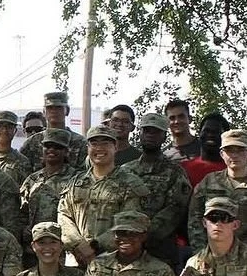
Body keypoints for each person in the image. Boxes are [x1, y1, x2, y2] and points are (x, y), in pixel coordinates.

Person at [58, 124, 149, 267]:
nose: (99, 148)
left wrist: (95, 246)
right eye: (94, 143)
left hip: (115, 263)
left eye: (105, 143)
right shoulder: (75, 183)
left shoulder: (130, 184)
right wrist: (78, 244)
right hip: (76, 260)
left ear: (115, 147)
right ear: (88, 148)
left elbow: (130, 223)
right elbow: (64, 216)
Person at [121, 113, 192, 266]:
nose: (150, 135)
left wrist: (143, 235)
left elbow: (176, 209)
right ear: (140, 133)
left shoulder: (175, 172)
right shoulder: (125, 171)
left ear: (164, 136)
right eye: (147, 131)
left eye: (156, 132)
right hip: (126, 246)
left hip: (160, 251)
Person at [187, 129, 247, 253]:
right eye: (229, 150)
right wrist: (202, 253)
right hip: (212, 254)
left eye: (240, 150)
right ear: (222, 154)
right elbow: (195, 220)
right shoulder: (208, 182)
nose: (234, 155)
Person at [18, 129, 82, 253]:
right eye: (47, 146)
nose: (51, 150)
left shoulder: (76, 180)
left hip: (63, 247)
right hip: (34, 246)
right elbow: (22, 213)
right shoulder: (32, 179)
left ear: (66, 151)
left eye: (57, 147)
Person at [19, 91, 87, 171]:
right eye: (50, 108)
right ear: (44, 112)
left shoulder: (81, 143)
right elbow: (22, 173)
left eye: (59, 107)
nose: (54, 111)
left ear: (67, 110)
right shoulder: (31, 143)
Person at [180, 112, 228, 188]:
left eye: (216, 132)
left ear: (226, 137)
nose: (210, 135)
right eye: (206, 131)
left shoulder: (234, 170)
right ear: (199, 133)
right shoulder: (183, 169)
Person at [0, 111, 31, 184]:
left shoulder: (23, 162)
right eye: (0, 126)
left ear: (15, 131)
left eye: (9, 127)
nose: (4, 130)